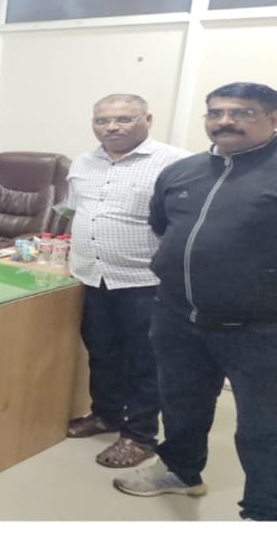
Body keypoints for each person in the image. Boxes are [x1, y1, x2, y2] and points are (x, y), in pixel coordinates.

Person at [113, 82, 277, 522]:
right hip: (177, 316)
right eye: (216, 112)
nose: (225, 121)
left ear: (273, 119)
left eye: (242, 112)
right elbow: (163, 226)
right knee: (181, 403)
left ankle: (264, 514)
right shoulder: (182, 172)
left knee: (265, 426)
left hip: (260, 328)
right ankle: (181, 471)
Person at [61, 94, 190, 468]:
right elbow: (75, 210)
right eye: (102, 120)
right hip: (90, 276)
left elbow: (183, 225)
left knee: (145, 361)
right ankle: (105, 414)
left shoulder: (175, 163)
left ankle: (140, 436)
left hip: (144, 281)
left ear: (147, 119)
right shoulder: (83, 162)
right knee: (101, 352)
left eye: (124, 119)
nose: (112, 127)